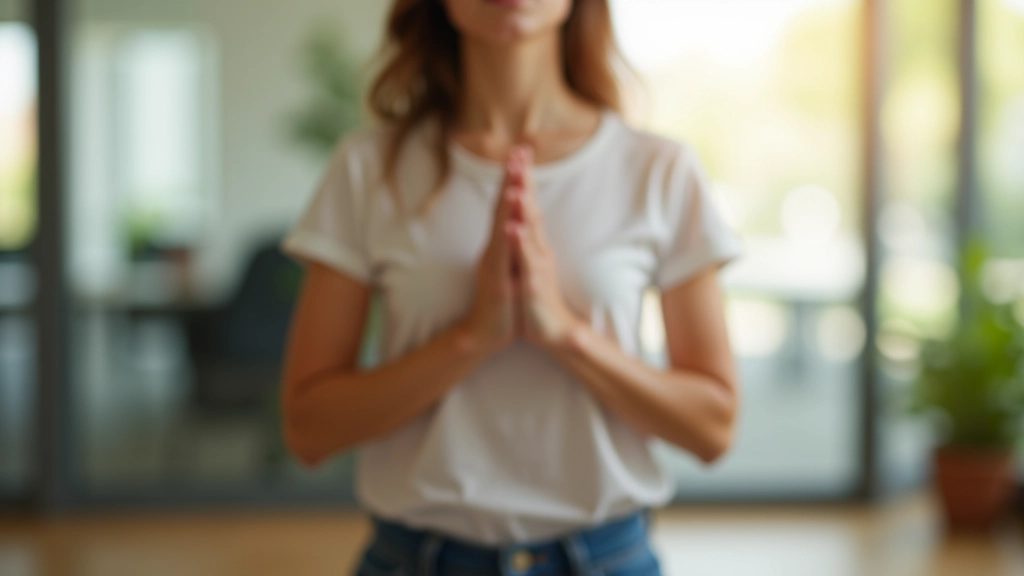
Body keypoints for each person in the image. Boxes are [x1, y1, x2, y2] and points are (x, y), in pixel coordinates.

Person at [279, 0, 743, 574]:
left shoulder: (658, 170)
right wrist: (474, 336)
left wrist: (565, 334)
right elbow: (309, 428)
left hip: (608, 559)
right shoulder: (368, 167)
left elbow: (711, 427)